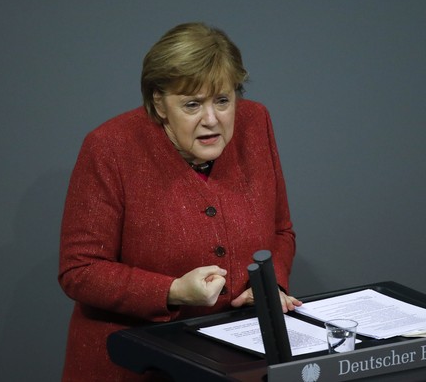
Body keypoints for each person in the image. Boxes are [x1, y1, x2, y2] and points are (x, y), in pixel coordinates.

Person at [58, 22, 301, 381]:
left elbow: (281, 231)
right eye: (191, 104)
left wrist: (268, 287)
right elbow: (79, 270)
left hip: (234, 362)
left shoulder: (256, 122)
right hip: (134, 364)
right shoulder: (110, 148)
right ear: (159, 102)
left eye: (223, 100)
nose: (211, 119)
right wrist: (171, 291)